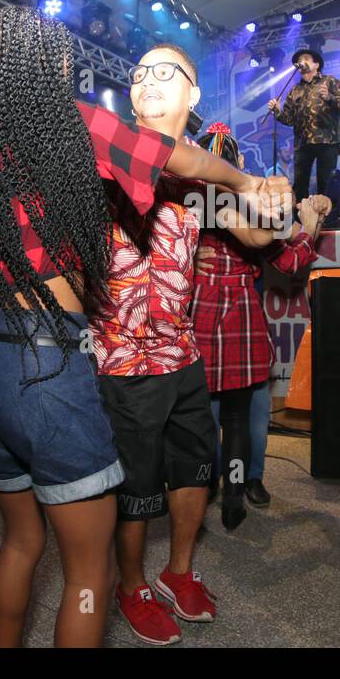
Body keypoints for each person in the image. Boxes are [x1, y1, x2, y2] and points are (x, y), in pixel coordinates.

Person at [0, 8, 289, 648]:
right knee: (88, 569)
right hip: (51, 367)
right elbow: (168, 155)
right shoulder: (71, 127)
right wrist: (247, 177)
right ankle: (132, 587)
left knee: (23, 541)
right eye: (56, 64)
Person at [91, 44, 285, 645]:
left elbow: (254, 232)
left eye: (164, 72)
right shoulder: (111, 151)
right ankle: (130, 586)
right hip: (122, 360)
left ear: (193, 94)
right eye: (139, 74)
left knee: (195, 471)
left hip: (182, 354)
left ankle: (177, 572)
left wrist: (275, 200)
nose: (147, 81)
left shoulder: (203, 178)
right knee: (135, 488)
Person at [191, 122, 327, 527]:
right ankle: (234, 497)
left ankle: (200, 494)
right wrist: (311, 224)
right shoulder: (250, 206)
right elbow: (290, 261)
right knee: (236, 418)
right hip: (238, 316)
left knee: (197, 418)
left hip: (196, 314)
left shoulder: (186, 199)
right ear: (241, 163)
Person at [268, 48, 340, 202]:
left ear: (316, 64)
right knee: (300, 183)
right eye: (299, 60)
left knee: (325, 182)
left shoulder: (329, 81)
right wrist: (277, 111)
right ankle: (301, 218)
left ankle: (327, 218)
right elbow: (289, 119)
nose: (301, 61)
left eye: (306, 58)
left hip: (326, 140)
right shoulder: (294, 90)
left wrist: (330, 97)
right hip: (303, 143)